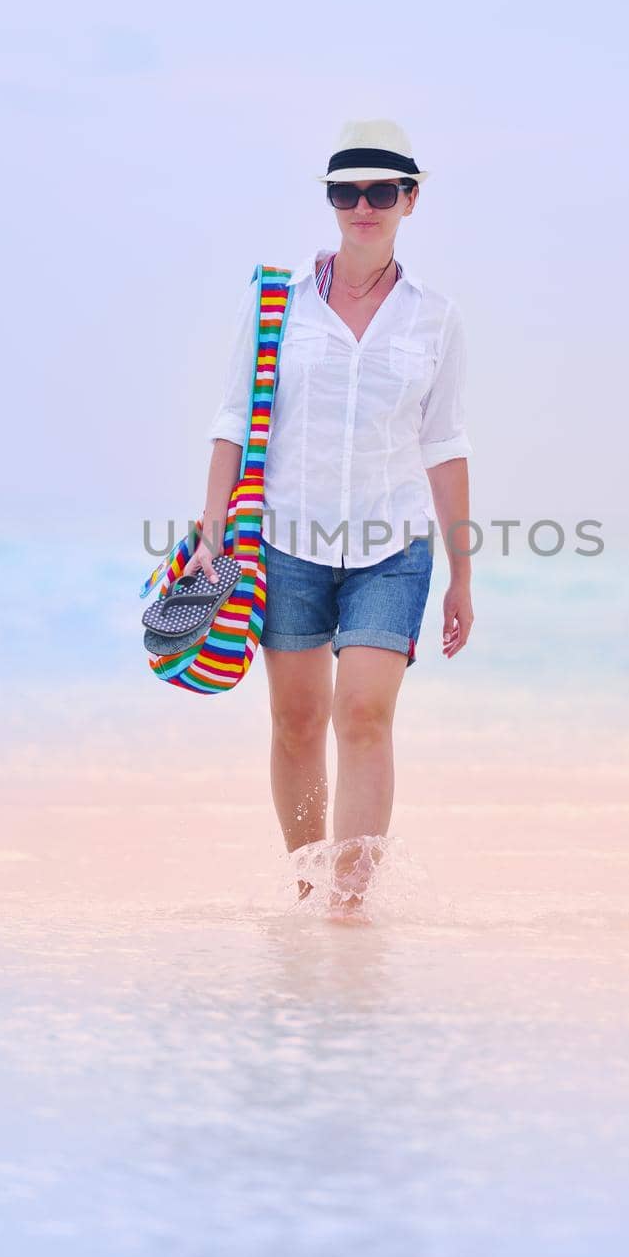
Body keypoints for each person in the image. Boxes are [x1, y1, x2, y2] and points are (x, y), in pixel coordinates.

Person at [191, 118, 474, 910]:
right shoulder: (277, 304)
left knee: (363, 712)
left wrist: (462, 573)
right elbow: (231, 415)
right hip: (286, 543)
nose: (363, 206)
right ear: (331, 200)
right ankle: (308, 884)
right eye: (347, 192)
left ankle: (350, 905)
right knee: (297, 719)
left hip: (394, 547)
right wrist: (212, 528)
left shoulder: (435, 318)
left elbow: (445, 442)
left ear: (410, 201)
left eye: (381, 191)